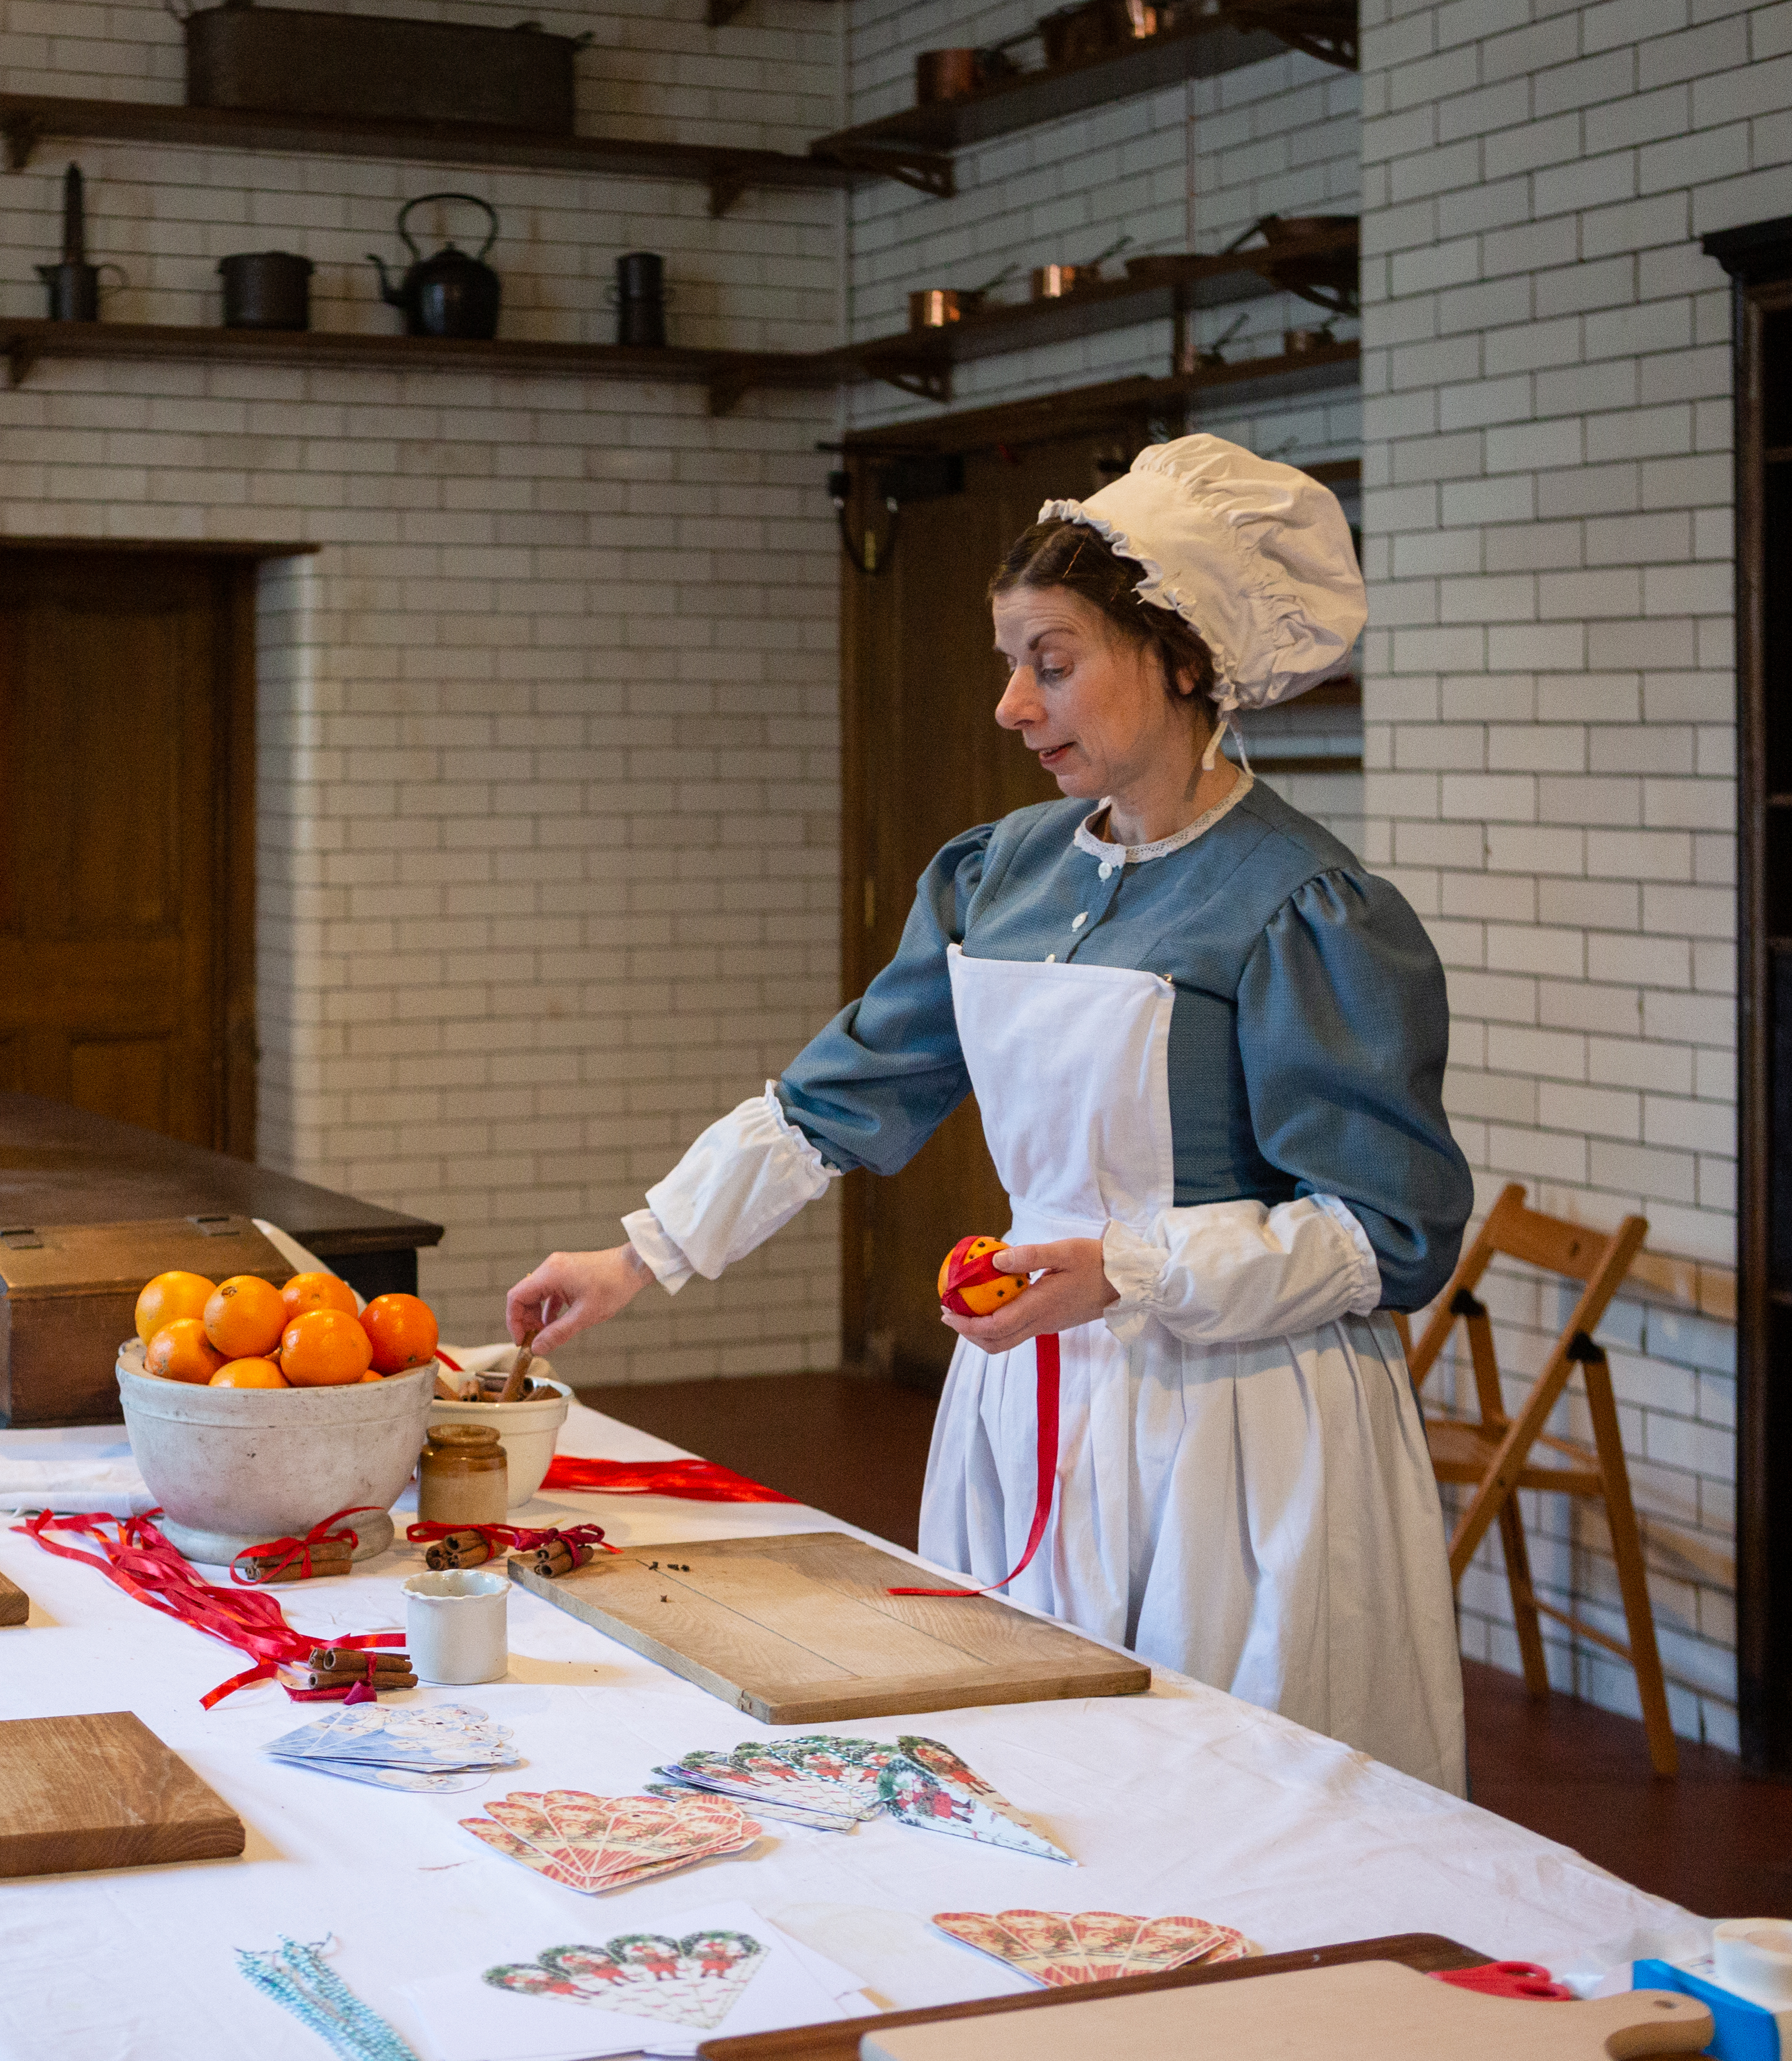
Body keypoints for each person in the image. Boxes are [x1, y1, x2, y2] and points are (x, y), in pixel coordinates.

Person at [505, 435, 1474, 1790]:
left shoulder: (1302, 906)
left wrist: (1130, 1267)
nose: (1012, 705)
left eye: (1051, 662)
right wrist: (640, 1253)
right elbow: (837, 1095)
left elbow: (1387, 1234)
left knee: (1216, 1785)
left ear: (1180, 656)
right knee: (1023, 1762)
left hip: (1232, 1431)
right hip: (1029, 1391)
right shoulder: (994, 873)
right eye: (1009, 663)